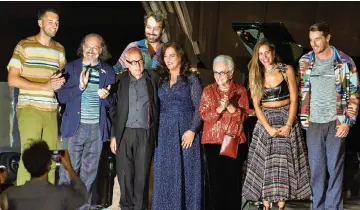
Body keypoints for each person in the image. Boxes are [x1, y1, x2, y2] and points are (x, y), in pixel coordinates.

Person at [242, 39, 312, 210]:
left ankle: (281, 206)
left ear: (273, 52)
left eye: (267, 52)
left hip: (286, 118)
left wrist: (289, 124)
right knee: (264, 164)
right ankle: (266, 205)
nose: (264, 57)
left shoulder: (286, 69)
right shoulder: (255, 73)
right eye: (260, 54)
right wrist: (268, 128)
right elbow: (256, 106)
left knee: (284, 165)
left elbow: (295, 99)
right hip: (266, 121)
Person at [298, 22, 359, 210]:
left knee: (335, 168)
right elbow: (303, 91)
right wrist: (304, 118)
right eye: (311, 40)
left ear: (328, 37)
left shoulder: (345, 61)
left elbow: (355, 93)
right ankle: (318, 206)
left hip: (336, 122)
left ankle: (333, 207)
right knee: (316, 170)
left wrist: (348, 122)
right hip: (313, 123)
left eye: (317, 39)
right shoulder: (305, 61)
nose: (314, 44)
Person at [7, 8, 66, 186]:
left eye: (57, 22)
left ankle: (45, 201)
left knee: (50, 158)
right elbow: (12, 79)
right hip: (29, 108)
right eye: (50, 21)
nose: (54, 25)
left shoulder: (60, 49)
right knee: (30, 157)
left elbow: (58, 81)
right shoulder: (24, 45)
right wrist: (45, 86)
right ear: (40, 23)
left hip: (51, 110)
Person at [57, 33, 116, 209]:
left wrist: (106, 97)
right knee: (68, 171)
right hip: (74, 128)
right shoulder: (70, 68)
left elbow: (112, 102)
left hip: (96, 130)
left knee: (89, 174)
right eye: (87, 46)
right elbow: (62, 97)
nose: (91, 50)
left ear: (101, 50)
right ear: (82, 47)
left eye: (95, 47)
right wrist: (80, 87)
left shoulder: (108, 71)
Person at [151, 41, 202, 210]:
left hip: (186, 132)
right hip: (164, 132)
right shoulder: (161, 80)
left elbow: (200, 108)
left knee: (186, 175)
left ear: (181, 56)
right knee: (165, 174)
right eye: (165, 56)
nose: (168, 59)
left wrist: (193, 130)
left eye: (172, 55)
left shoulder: (191, 79)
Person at [109, 47, 159, 210]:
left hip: (145, 133)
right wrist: (114, 136)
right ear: (126, 63)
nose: (138, 65)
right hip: (124, 134)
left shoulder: (153, 78)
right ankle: (126, 207)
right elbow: (113, 110)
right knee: (125, 175)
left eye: (140, 61)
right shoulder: (119, 81)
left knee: (142, 176)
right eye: (133, 62)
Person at [199, 55, 249, 210]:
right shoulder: (208, 91)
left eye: (222, 72)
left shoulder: (240, 91)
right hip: (212, 142)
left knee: (231, 182)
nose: (218, 76)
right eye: (216, 72)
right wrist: (220, 108)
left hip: (232, 141)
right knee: (214, 183)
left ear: (231, 73)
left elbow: (243, 116)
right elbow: (204, 115)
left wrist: (231, 107)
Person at [0, 140, 87, 210]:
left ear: (26, 166)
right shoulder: (62, 194)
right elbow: (82, 195)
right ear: (48, 165)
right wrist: (69, 167)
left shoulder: (10, 194)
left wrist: (2, 183)